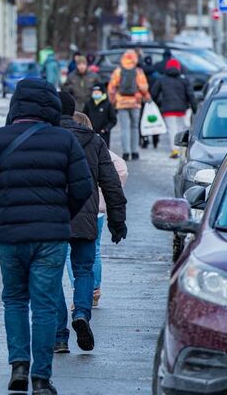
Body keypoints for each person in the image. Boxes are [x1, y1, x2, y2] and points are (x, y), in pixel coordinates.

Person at [0, 78, 93, 395]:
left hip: (11, 236)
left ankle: (18, 366)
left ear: (16, 105)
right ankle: (41, 379)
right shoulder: (65, 140)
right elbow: (83, 187)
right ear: (50, 106)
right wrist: (61, 215)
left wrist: (0, 216)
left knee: (14, 299)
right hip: (51, 237)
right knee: (44, 306)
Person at [53, 93, 127, 355]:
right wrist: (117, 220)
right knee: (84, 269)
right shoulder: (94, 141)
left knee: (51, 274)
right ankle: (82, 313)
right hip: (85, 215)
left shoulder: (45, 138)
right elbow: (111, 183)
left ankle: (59, 337)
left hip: (52, 217)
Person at [69, 113, 129, 308]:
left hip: (70, 210)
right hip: (96, 209)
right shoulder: (97, 144)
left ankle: (79, 292)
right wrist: (101, 193)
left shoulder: (62, 144)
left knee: (70, 251)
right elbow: (119, 171)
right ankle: (94, 289)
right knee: (93, 250)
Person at [107, 50, 151, 161]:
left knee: (124, 128)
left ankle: (126, 152)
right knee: (135, 127)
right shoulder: (138, 71)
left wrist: (112, 101)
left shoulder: (118, 71)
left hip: (121, 102)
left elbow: (111, 88)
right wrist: (146, 96)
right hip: (135, 102)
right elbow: (144, 87)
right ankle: (134, 151)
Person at [150, 58, 197, 159]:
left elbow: (153, 93)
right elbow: (190, 94)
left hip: (167, 110)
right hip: (181, 110)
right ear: (178, 68)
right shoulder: (184, 80)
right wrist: (194, 107)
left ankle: (174, 150)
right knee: (180, 129)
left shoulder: (162, 79)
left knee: (172, 129)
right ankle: (182, 150)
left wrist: (157, 104)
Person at [140, 56, 160, 150]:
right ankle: (155, 140)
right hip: (154, 101)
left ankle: (144, 140)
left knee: (142, 120)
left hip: (142, 101)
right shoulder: (156, 75)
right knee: (154, 119)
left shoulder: (140, 75)